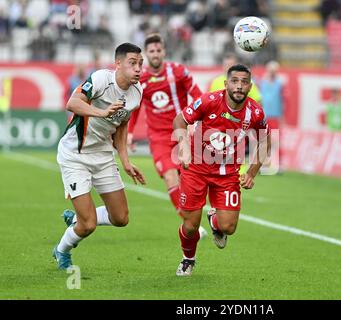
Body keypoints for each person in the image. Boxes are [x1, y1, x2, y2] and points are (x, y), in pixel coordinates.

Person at [52, 43, 146, 270]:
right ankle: (61, 250)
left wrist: (125, 161)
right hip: (76, 154)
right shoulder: (102, 79)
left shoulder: (137, 92)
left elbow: (122, 125)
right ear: (118, 64)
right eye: (132, 63)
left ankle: (77, 218)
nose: (138, 68)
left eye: (140, 64)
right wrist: (101, 112)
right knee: (88, 225)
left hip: (103, 156)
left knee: (121, 218)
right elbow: (72, 103)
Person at [173, 64, 271, 276]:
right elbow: (180, 119)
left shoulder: (255, 112)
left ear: (250, 86)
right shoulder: (209, 101)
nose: (239, 86)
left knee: (229, 227)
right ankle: (188, 259)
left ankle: (215, 221)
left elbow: (265, 143)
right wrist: (183, 149)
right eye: (234, 81)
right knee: (190, 225)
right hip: (196, 168)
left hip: (227, 174)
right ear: (226, 84)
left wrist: (251, 173)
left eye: (244, 82)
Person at [126, 33, 207, 237]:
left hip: (181, 134)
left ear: (164, 51)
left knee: (189, 179)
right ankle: (190, 223)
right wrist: (129, 133)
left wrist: (200, 120)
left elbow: (198, 96)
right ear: (146, 54)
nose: (155, 54)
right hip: (158, 138)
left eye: (158, 50)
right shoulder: (140, 78)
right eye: (151, 51)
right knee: (171, 177)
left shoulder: (178, 71)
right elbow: (135, 108)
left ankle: (200, 217)